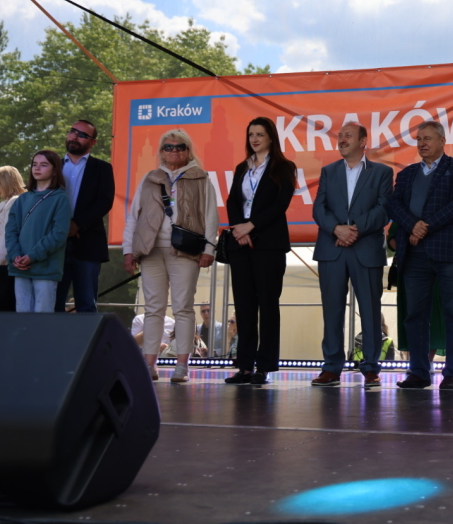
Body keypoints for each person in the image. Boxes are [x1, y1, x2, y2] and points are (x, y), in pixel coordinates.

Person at [123, 129, 218, 384]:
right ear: (161, 152)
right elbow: (134, 216)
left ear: (188, 151)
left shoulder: (201, 178)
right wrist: (128, 250)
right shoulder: (150, 179)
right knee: (153, 308)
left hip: (186, 249)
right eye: (168, 147)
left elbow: (211, 217)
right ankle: (149, 364)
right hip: (151, 249)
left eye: (179, 146)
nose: (174, 151)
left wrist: (209, 249)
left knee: (183, 307)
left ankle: (182, 365)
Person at [387, 121, 453, 391]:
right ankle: (419, 372)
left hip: (448, 253)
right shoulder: (407, 174)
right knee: (414, 315)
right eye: (418, 139)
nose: (422, 143)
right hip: (414, 254)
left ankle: (452, 373)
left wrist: (425, 226)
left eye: (427, 138)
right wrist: (413, 225)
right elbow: (393, 205)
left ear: (442, 141)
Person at [311, 122, 393, 388]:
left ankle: (370, 367)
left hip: (365, 249)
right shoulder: (328, 171)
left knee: (370, 311)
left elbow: (384, 209)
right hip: (332, 249)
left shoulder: (381, 172)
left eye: (348, 135)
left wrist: (355, 229)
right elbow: (319, 208)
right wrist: (337, 229)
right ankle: (331, 367)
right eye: (340, 136)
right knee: (332, 311)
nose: (342, 139)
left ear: (363, 141)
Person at [224, 117, 295, 385]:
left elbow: (280, 204)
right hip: (240, 244)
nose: (254, 139)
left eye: (260, 134)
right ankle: (244, 366)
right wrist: (239, 230)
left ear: (271, 138)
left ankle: (264, 366)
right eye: (251, 134)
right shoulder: (242, 167)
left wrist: (251, 226)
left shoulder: (284, 167)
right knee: (243, 306)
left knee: (267, 305)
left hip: (269, 244)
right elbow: (233, 201)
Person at [55, 120, 115, 313]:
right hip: (54, 243)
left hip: (88, 242)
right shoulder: (52, 166)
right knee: (52, 303)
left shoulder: (102, 168)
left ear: (93, 142)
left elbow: (104, 202)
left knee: (86, 304)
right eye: (72, 131)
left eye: (82, 135)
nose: (74, 137)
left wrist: (77, 225)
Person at [5, 151, 73, 312]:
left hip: (46, 269)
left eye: (44, 165)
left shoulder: (60, 199)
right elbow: (10, 232)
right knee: (22, 316)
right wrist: (15, 255)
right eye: (34, 164)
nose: (37, 168)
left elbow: (59, 234)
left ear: (55, 170)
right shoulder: (22, 199)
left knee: (42, 317)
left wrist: (33, 256)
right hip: (20, 267)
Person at [388, 222, 447, 359]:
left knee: (433, 313)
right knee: (410, 313)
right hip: (408, 264)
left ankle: (428, 361)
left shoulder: (436, 213)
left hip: (435, 265)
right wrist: (408, 240)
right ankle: (415, 360)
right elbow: (391, 239)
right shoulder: (402, 213)